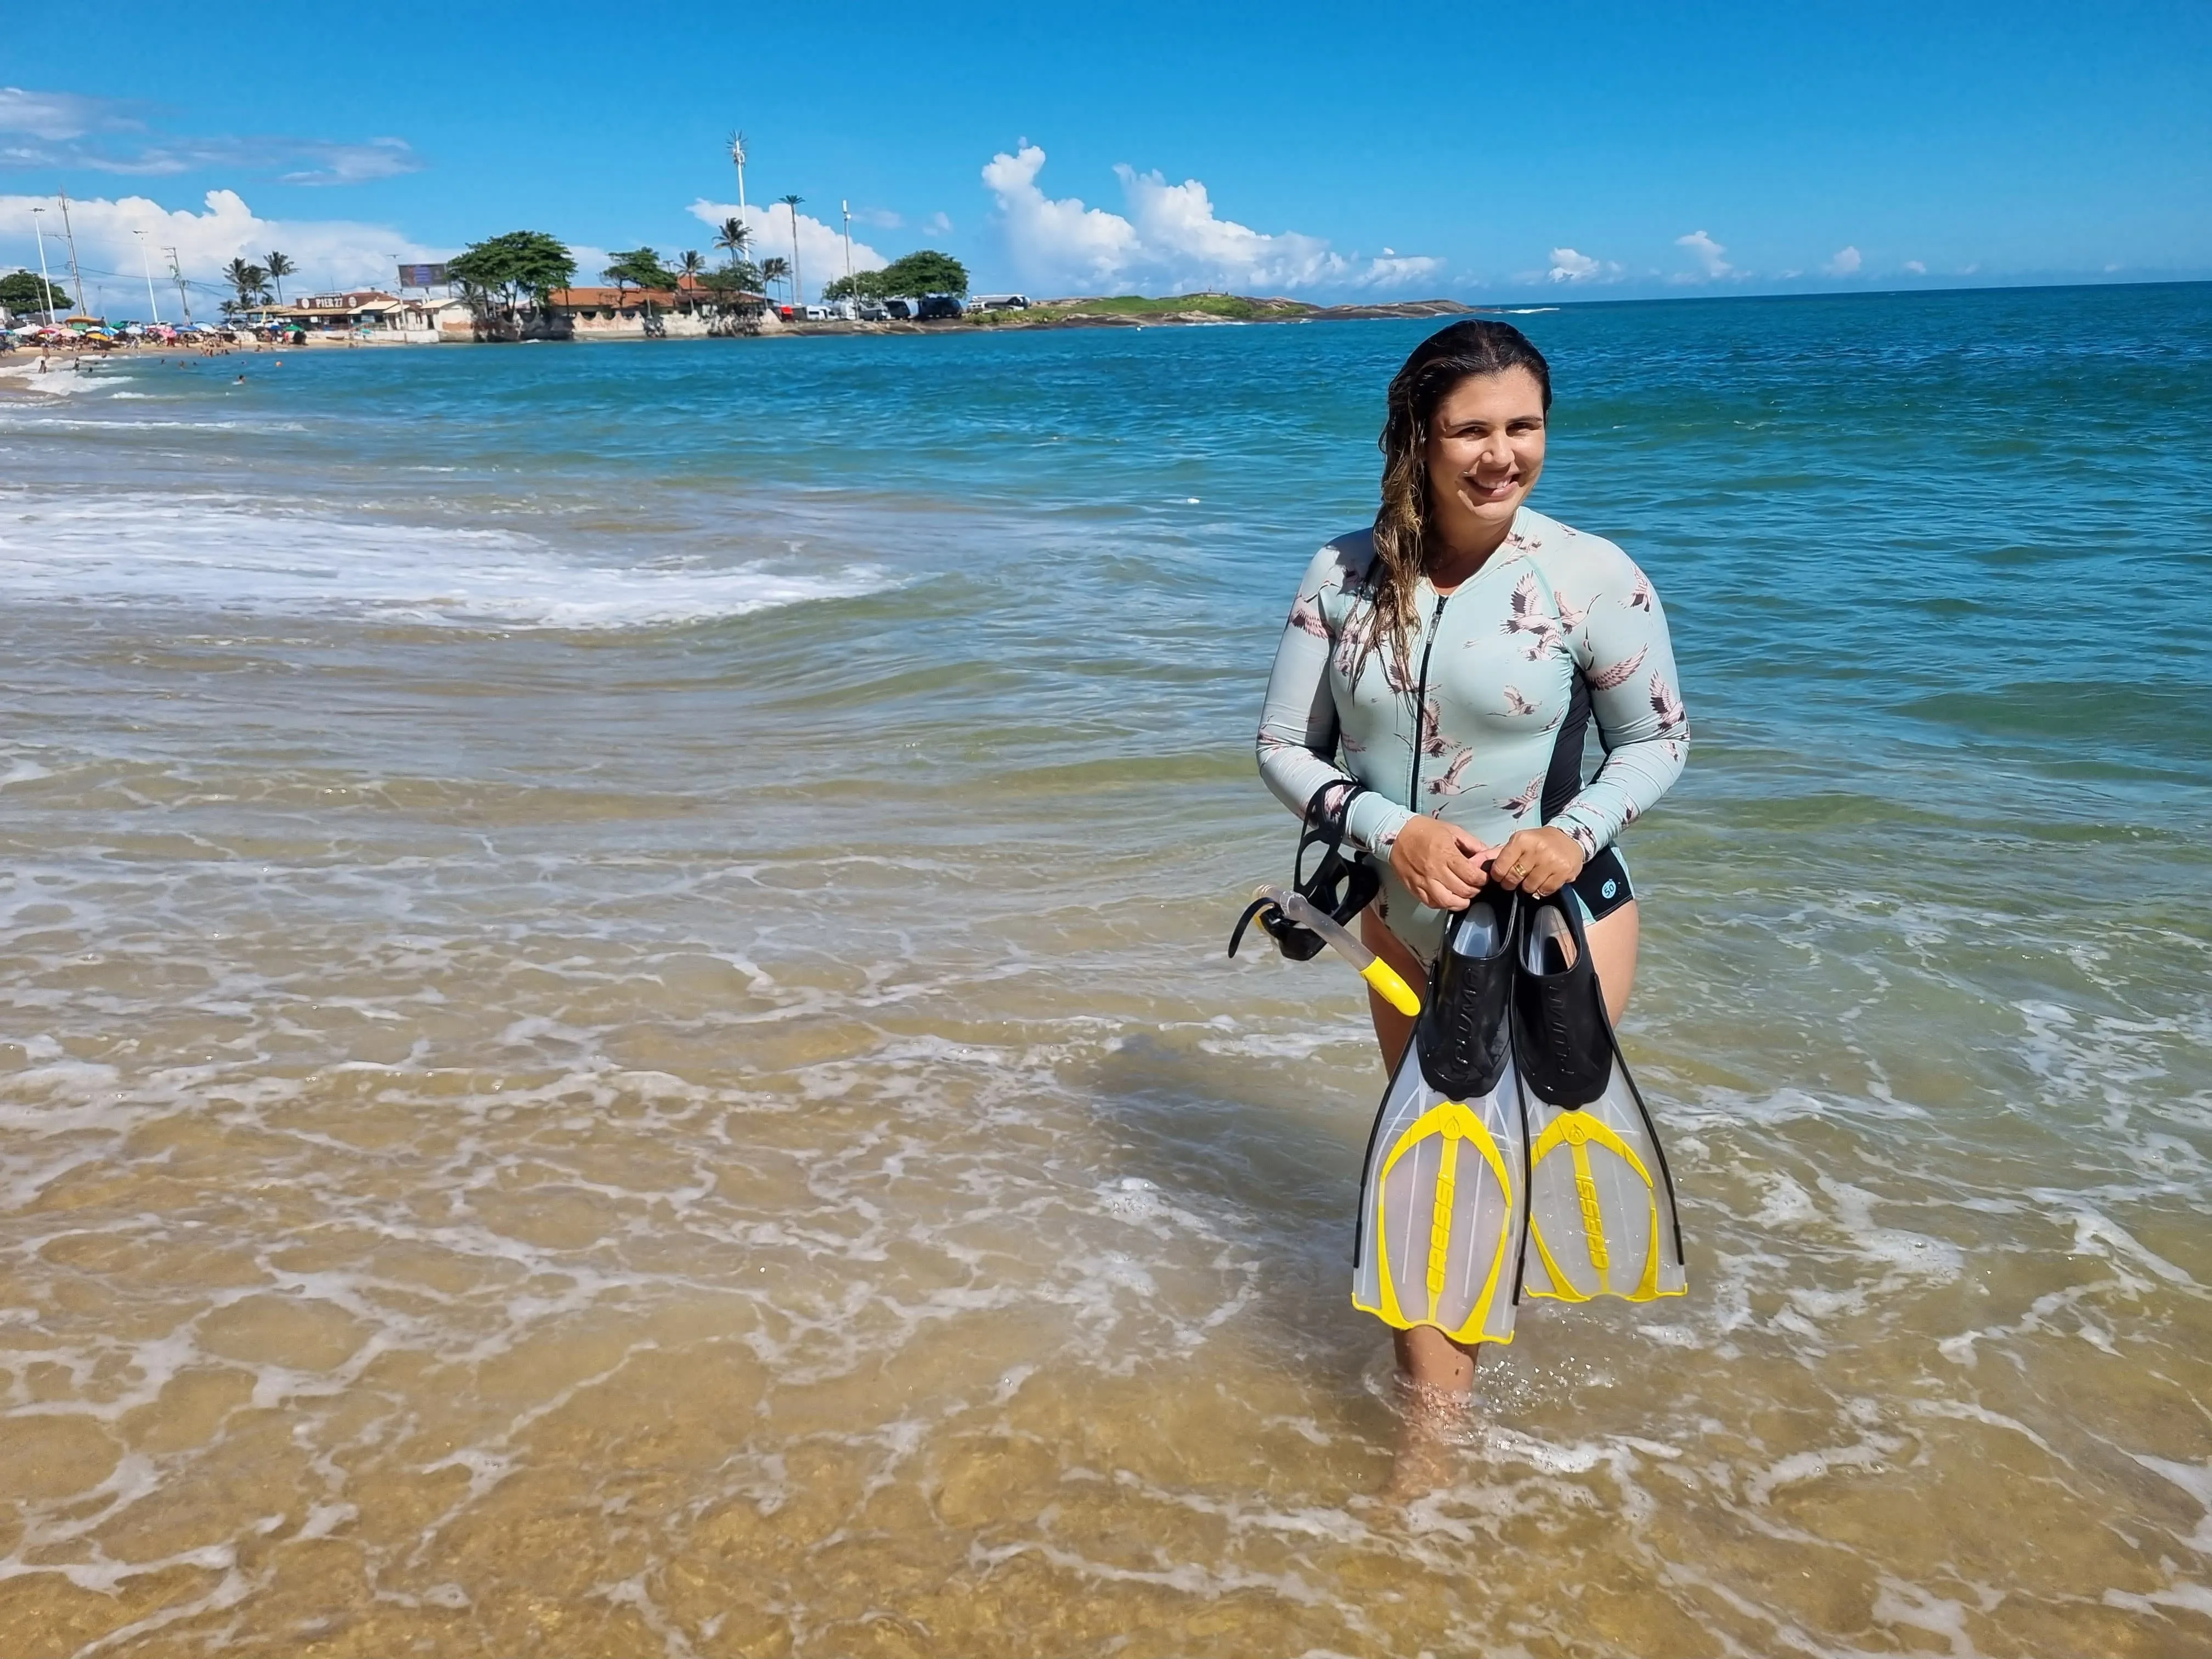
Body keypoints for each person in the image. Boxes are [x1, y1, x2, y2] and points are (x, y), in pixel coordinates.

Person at [1254, 319, 1689, 1400]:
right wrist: (1383, 828)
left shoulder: (1590, 576)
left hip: (1556, 927)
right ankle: (1460, 1448)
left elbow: (1658, 740)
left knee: (1460, 1173)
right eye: (1472, 430)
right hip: (1402, 924)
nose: (1503, 454)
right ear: (1416, 437)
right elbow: (1279, 748)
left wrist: (1570, 833)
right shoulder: (1342, 574)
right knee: (1449, 1173)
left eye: (1525, 426)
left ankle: (1433, 1463)